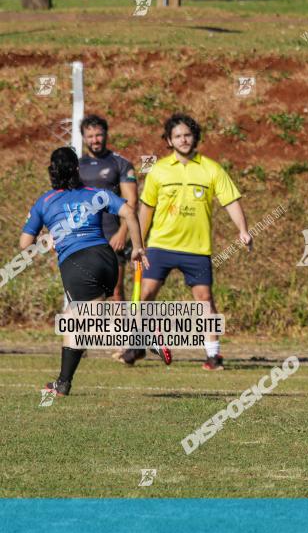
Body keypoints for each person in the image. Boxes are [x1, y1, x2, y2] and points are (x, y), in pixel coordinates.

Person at [121, 113, 252, 371]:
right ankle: (137, 343)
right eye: (178, 136)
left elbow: (231, 201)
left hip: (196, 249)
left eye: (187, 135)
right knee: (145, 295)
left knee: (205, 299)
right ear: (169, 140)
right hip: (160, 245)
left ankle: (213, 356)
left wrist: (243, 230)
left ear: (195, 138)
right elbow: (146, 209)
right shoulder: (158, 170)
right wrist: (139, 244)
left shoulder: (211, 168)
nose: (183, 140)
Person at [21, 147, 148, 396]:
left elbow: (25, 244)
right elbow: (130, 212)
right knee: (76, 321)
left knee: (84, 321)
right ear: (77, 170)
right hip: (106, 258)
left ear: (52, 172)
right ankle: (63, 383)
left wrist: (48, 241)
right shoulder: (95, 192)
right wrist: (138, 248)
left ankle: (140, 335)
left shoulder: (44, 202)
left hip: (78, 264)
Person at [77, 115, 137, 304]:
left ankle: (119, 334)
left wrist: (122, 233)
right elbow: (68, 201)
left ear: (106, 135)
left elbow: (132, 202)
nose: (95, 140)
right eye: (90, 136)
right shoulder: (77, 166)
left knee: (115, 292)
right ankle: (93, 334)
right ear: (84, 138)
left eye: (99, 135)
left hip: (111, 236)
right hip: (84, 236)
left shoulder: (120, 163)